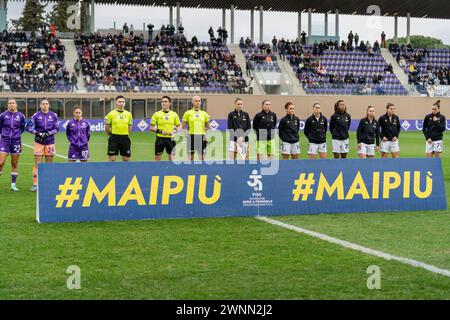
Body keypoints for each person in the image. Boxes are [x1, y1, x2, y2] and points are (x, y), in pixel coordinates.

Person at [27, 98, 59, 192]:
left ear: (48, 105)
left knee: (49, 164)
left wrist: (48, 133)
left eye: (46, 103)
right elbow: (28, 127)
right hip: (38, 142)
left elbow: (57, 128)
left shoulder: (54, 115)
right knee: (38, 165)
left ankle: (47, 183)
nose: (45, 105)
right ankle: (35, 185)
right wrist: (37, 133)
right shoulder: (36, 115)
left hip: (50, 142)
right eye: (43, 104)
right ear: (40, 105)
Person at [0, 98, 26, 191]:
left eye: (13, 103)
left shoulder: (21, 116)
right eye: (9, 103)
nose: (11, 104)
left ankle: (13, 185)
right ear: (8, 105)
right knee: (1, 162)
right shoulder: (3, 115)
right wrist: (3, 135)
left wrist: (16, 135)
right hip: (4, 140)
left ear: (16, 105)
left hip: (16, 141)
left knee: (14, 163)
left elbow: (22, 128)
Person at [150, 96, 181, 161]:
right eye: (162, 102)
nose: (164, 103)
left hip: (171, 139)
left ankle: (171, 171)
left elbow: (179, 127)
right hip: (160, 139)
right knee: (157, 160)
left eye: (166, 102)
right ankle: (157, 170)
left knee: (172, 159)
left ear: (170, 103)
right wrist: (161, 131)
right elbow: (151, 128)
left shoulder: (174, 114)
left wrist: (174, 132)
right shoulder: (156, 114)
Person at [105, 95, 133, 162]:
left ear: (125, 103)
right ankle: (111, 172)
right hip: (114, 138)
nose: (121, 103)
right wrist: (111, 136)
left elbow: (129, 128)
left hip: (125, 138)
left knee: (126, 159)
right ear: (116, 103)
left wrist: (125, 135)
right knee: (112, 158)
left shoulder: (129, 114)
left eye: (123, 102)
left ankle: (125, 172)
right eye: (119, 102)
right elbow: (107, 128)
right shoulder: (111, 114)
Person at [182, 96, 210, 161]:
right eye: (196, 101)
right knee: (191, 158)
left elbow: (208, 127)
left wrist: (206, 136)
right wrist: (187, 135)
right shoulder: (187, 113)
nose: (198, 102)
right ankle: (191, 171)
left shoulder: (204, 114)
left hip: (202, 137)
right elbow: (183, 127)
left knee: (202, 158)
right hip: (191, 136)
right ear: (192, 102)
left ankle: (202, 171)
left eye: (199, 101)